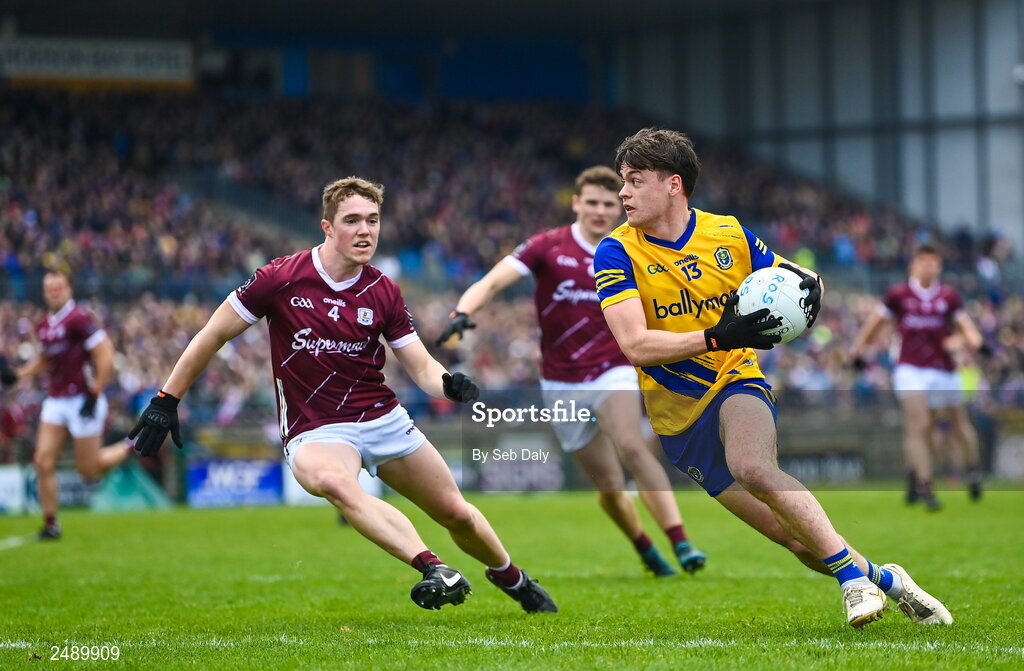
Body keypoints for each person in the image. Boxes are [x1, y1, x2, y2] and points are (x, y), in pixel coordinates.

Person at [128, 177, 557, 614]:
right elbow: (212, 334)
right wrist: (167, 398)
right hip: (315, 428)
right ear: (327, 227)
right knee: (335, 483)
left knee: (457, 514)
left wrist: (448, 384)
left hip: (380, 418)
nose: (365, 230)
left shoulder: (384, 290)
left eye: (373, 220)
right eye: (352, 220)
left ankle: (513, 578)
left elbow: (423, 366)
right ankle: (434, 567)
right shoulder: (280, 278)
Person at [594, 127, 952, 629]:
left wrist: (803, 302)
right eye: (622, 182)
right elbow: (636, 346)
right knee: (797, 542)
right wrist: (720, 333)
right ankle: (887, 579)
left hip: (735, 379)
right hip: (677, 420)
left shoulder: (729, 235)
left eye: (634, 181)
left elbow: (803, 282)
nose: (623, 193)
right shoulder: (615, 252)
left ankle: (853, 583)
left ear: (673, 184)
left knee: (753, 465)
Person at [438, 166, 706, 577]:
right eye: (592, 203)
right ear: (577, 203)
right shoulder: (548, 247)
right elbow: (492, 282)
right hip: (561, 382)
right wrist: (463, 311)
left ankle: (681, 540)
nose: (600, 211)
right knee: (609, 487)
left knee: (632, 445)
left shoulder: (630, 248)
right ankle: (647, 549)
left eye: (608, 204)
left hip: (613, 367)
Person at [851, 244, 985, 509]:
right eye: (923, 261)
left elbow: (967, 330)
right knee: (919, 424)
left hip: (944, 370)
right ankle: (926, 486)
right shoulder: (898, 294)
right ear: (913, 265)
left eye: (934, 262)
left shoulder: (948, 296)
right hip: (910, 368)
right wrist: (858, 351)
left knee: (957, 423)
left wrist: (965, 342)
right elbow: (873, 324)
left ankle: (973, 470)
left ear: (940, 266)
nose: (929, 266)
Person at [0, 272, 132, 539]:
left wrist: (95, 393)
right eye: (49, 288)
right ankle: (51, 524)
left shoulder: (79, 319)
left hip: (83, 399)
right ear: (44, 292)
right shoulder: (44, 325)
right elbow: (47, 359)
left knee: (89, 471)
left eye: (59, 287)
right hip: (57, 400)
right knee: (43, 461)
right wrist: (20, 374)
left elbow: (105, 354)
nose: (54, 292)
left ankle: (133, 445)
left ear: (69, 289)